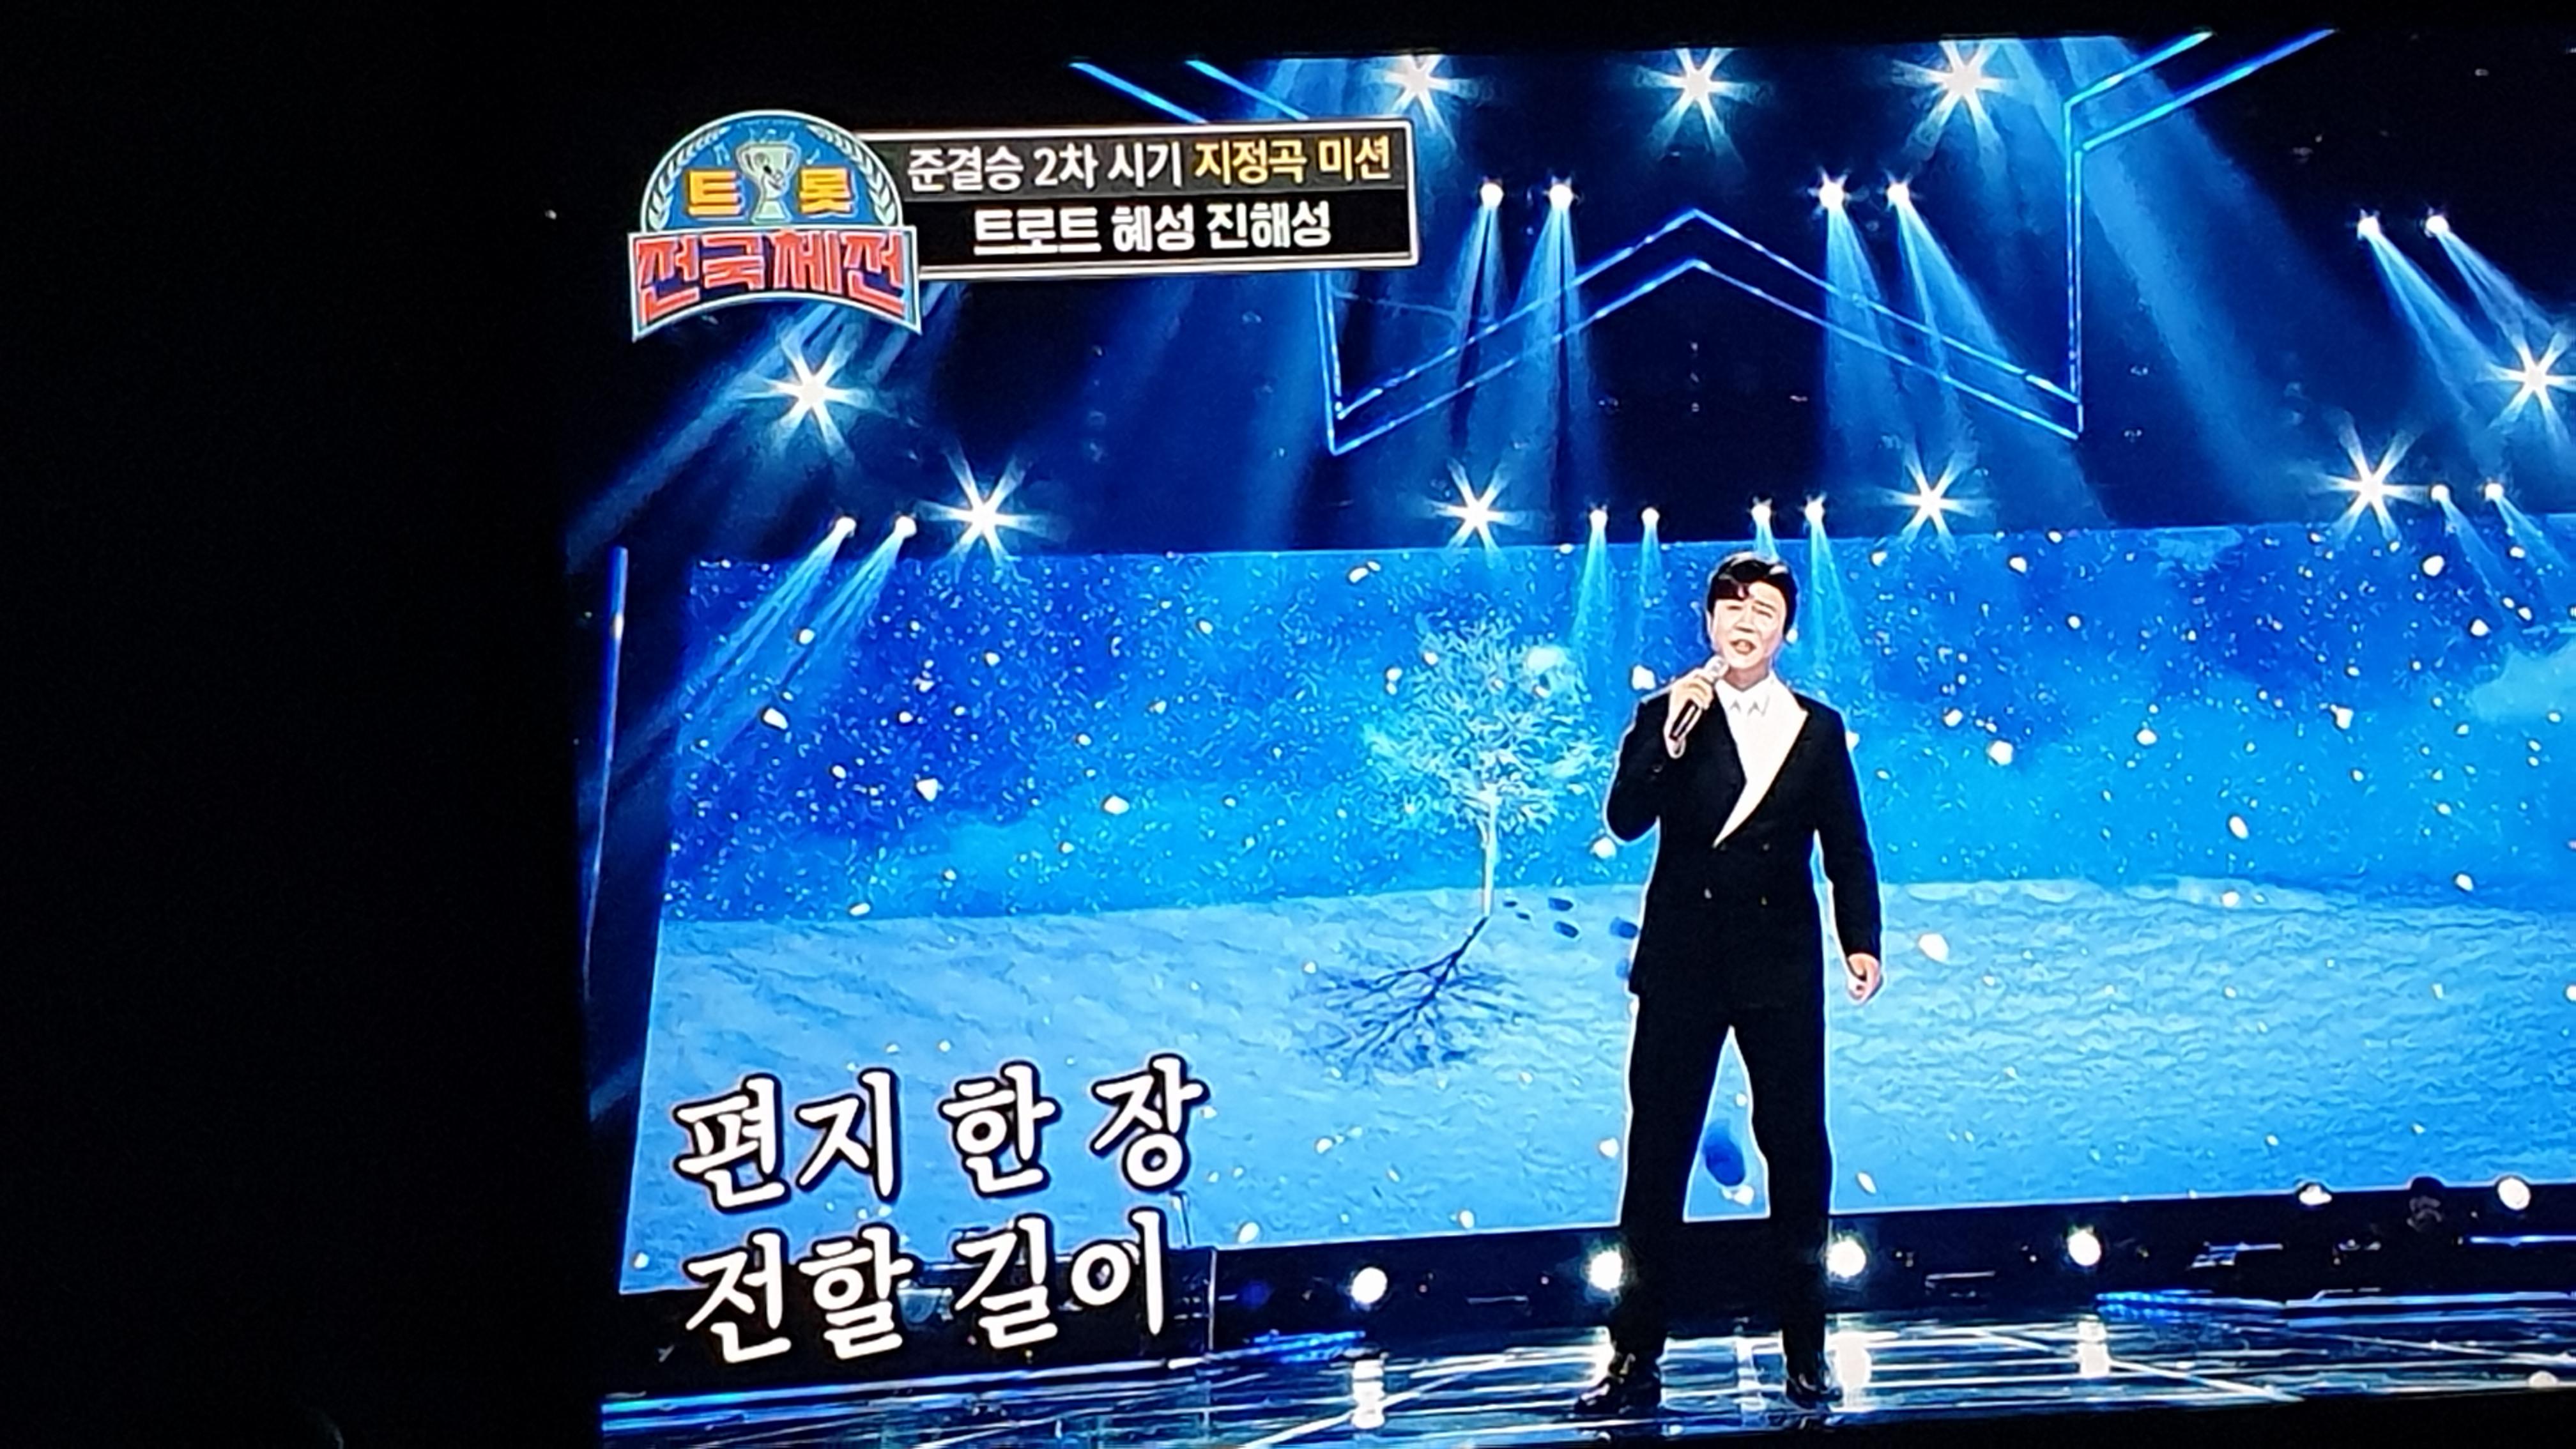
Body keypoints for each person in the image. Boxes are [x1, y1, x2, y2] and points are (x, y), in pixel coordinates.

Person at [1574, 551, 1883, 1416]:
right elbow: (1625, 821)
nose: (1746, 623)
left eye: (1764, 612)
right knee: (1656, 1156)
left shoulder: (1815, 727)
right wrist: (1669, 740)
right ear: (1710, 621)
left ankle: (1807, 1351)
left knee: (1798, 1151)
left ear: (1786, 631)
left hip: (1778, 963)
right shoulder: (1665, 712)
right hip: (1684, 961)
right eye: (1732, 608)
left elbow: (1847, 844)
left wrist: (1860, 940)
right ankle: (1634, 1357)